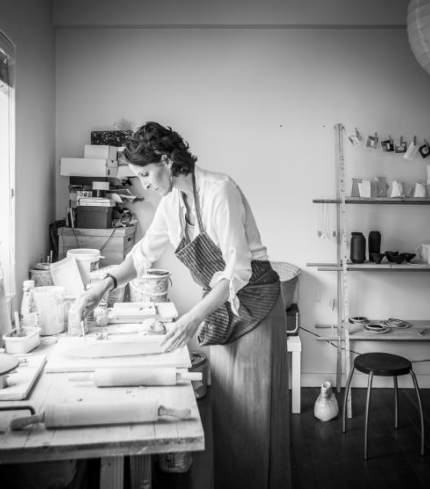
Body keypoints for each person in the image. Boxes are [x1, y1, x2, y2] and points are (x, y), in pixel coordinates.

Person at [72, 121, 290, 488]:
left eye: (146, 174)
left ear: (168, 160)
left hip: (255, 306)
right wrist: (103, 285)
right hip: (220, 310)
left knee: (255, 416)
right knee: (229, 413)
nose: (145, 184)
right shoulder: (172, 205)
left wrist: (192, 318)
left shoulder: (220, 191)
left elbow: (236, 272)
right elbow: (142, 256)